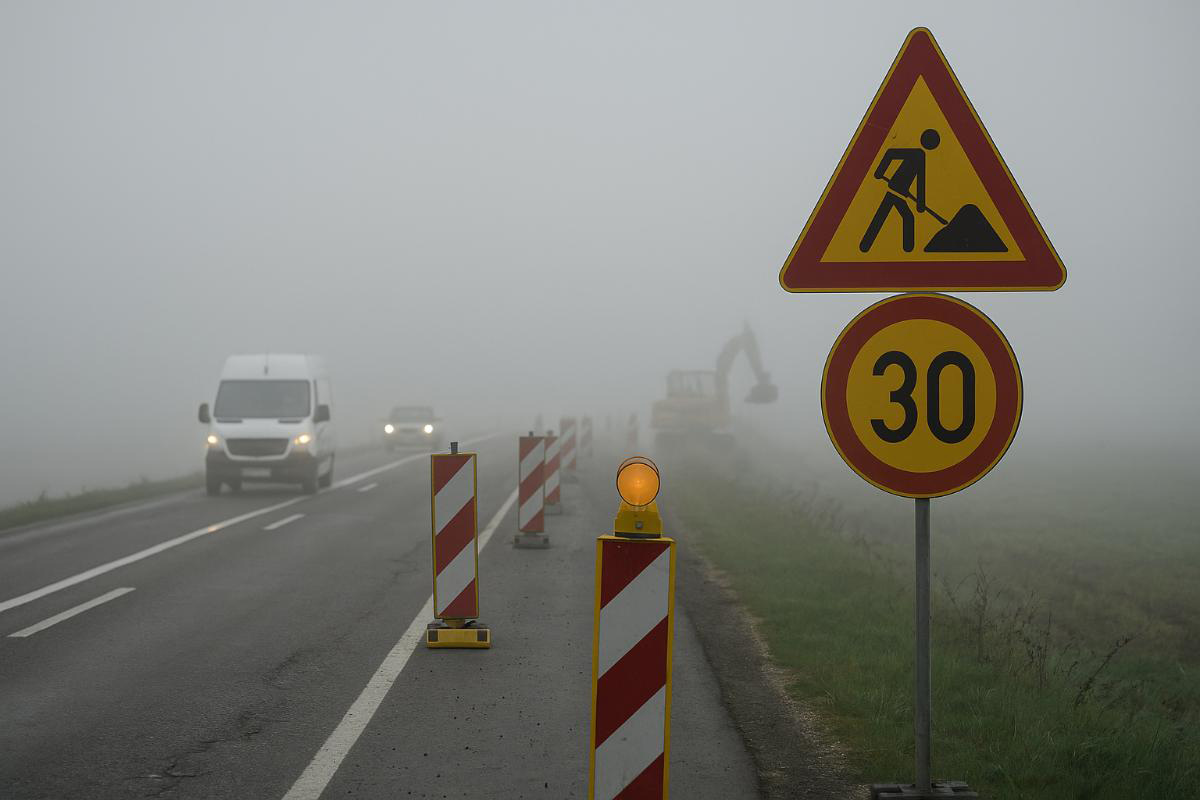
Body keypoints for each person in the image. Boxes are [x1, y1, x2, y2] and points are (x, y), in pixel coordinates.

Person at [859, 128, 940, 253]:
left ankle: (866, 246)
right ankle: (906, 251)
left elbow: (920, 182)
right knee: (903, 217)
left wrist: (920, 204)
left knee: (887, 216)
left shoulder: (920, 155)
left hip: (899, 193)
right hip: (895, 190)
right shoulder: (917, 154)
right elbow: (891, 153)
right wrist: (879, 171)